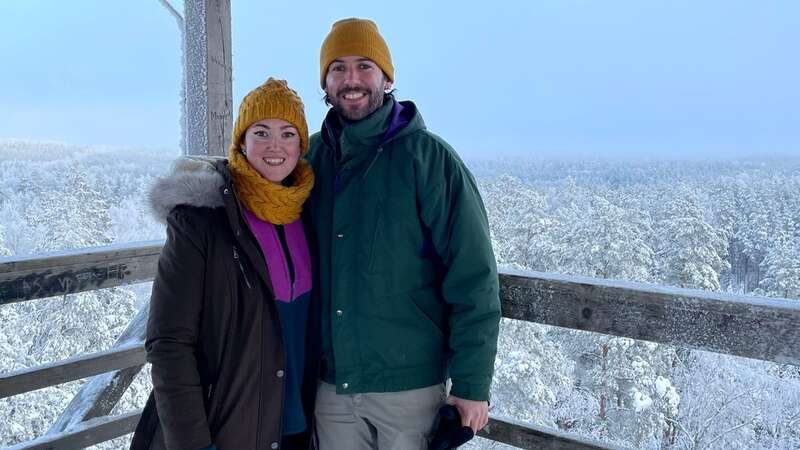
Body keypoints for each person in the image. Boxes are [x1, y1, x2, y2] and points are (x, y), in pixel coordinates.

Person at [305, 18, 501, 450]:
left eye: (364, 66)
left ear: (387, 77)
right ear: (325, 81)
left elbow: (473, 277)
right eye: (337, 68)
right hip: (330, 387)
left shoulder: (429, 160)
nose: (351, 79)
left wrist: (472, 381)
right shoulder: (311, 158)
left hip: (410, 389)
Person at [130, 78, 319, 450]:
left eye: (288, 133)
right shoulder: (202, 221)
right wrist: (194, 444)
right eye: (261, 132)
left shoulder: (310, 216)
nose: (275, 146)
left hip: (298, 428)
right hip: (227, 430)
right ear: (242, 143)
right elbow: (169, 342)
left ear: (301, 146)